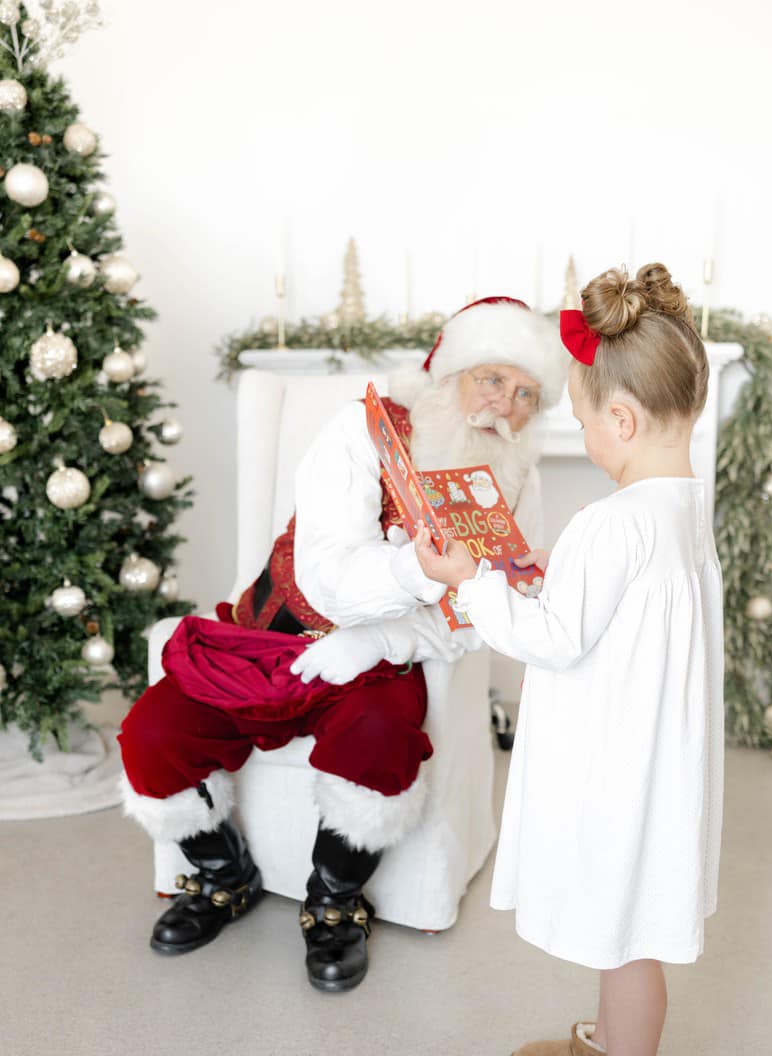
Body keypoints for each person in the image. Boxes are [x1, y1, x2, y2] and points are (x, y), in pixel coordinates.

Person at [118, 296, 565, 992]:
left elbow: (491, 613)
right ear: (450, 374)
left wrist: (384, 638)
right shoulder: (363, 431)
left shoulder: (518, 480)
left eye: (526, 394)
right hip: (270, 635)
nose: (503, 405)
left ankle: (335, 901)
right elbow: (325, 575)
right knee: (153, 733)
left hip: (380, 662)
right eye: (492, 379)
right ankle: (221, 875)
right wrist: (417, 569)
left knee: (380, 742)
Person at [414, 263, 723, 1056]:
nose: (581, 433)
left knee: (625, 931)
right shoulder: (679, 509)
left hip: (617, 762)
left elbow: (551, 640)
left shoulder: (610, 524)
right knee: (622, 915)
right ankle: (610, 1045)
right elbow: (622, 606)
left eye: (582, 419)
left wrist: (470, 581)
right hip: (656, 753)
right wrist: (553, 566)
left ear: (620, 422)